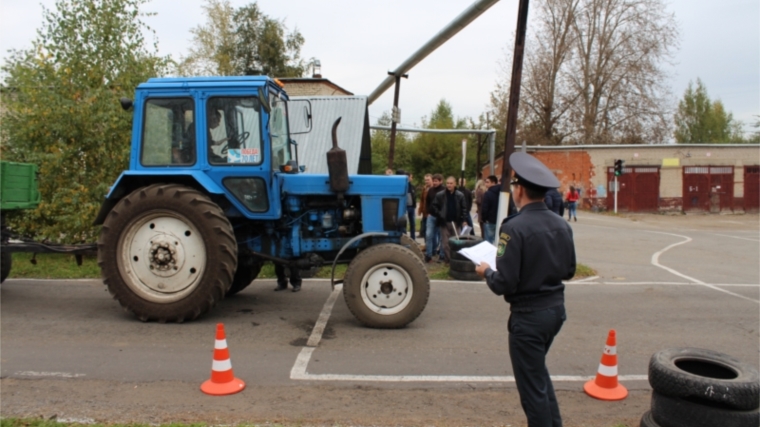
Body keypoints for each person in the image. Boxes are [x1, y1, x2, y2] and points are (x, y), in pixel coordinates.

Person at [475, 152, 576, 427]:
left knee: (532, 390)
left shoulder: (513, 228)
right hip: (555, 311)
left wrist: (486, 272)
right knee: (538, 377)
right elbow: (569, 270)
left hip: (529, 317)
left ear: (519, 190)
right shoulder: (561, 224)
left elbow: (504, 283)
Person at [429, 176, 467, 263]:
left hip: (456, 222)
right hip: (444, 222)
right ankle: (448, 260)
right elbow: (434, 206)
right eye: (447, 183)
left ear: (455, 184)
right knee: (445, 243)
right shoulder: (440, 195)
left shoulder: (460, 195)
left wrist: (463, 220)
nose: (449, 185)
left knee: (457, 242)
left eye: (451, 183)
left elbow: (464, 208)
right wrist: (440, 214)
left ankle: (456, 259)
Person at [424, 174, 445, 262]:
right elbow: (427, 201)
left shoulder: (444, 191)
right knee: (429, 235)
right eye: (434, 181)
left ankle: (442, 255)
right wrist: (428, 212)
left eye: (436, 181)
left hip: (441, 216)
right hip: (431, 216)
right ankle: (429, 254)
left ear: (441, 181)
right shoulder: (430, 190)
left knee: (442, 237)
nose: (435, 182)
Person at [480, 175, 500, 243]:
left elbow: (485, 208)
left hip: (490, 221)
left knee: (488, 242)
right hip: (500, 221)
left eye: (488, 182)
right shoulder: (502, 193)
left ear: (493, 183)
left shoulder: (488, 194)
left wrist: (484, 219)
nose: (486, 184)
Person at [398, 169, 416, 239]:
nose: (411, 178)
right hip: (405, 207)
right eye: (411, 177)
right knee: (404, 223)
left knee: (412, 224)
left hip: (411, 207)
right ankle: (404, 238)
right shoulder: (403, 185)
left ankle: (413, 238)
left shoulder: (412, 186)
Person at [418, 174, 432, 242]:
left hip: (430, 213)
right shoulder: (425, 188)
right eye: (425, 180)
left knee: (429, 231)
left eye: (428, 180)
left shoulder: (433, 189)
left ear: (431, 180)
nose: (426, 181)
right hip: (424, 213)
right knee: (423, 230)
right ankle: (426, 244)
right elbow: (422, 200)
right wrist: (420, 210)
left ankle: (430, 246)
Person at [474, 173, 488, 238]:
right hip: (484, 211)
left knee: (482, 229)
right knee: (485, 230)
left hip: (481, 212)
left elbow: (479, 201)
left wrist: (475, 200)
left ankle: (483, 241)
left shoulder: (479, 191)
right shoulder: (485, 191)